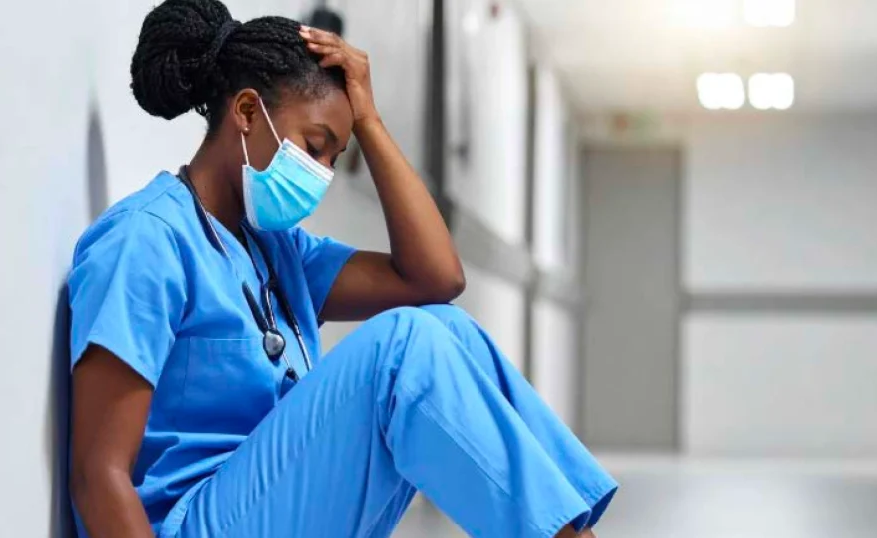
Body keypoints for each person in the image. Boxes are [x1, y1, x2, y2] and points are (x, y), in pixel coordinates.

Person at [67, 1, 617, 537]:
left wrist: (369, 120)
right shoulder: (146, 239)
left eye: (335, 158)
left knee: (448, 328)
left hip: (269, 508)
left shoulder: (276, 252)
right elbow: (98, 475)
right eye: (315, 147)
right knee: (403, 347)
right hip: (192, 521)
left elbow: (435, 279)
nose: (323, 174)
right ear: (247, 112)